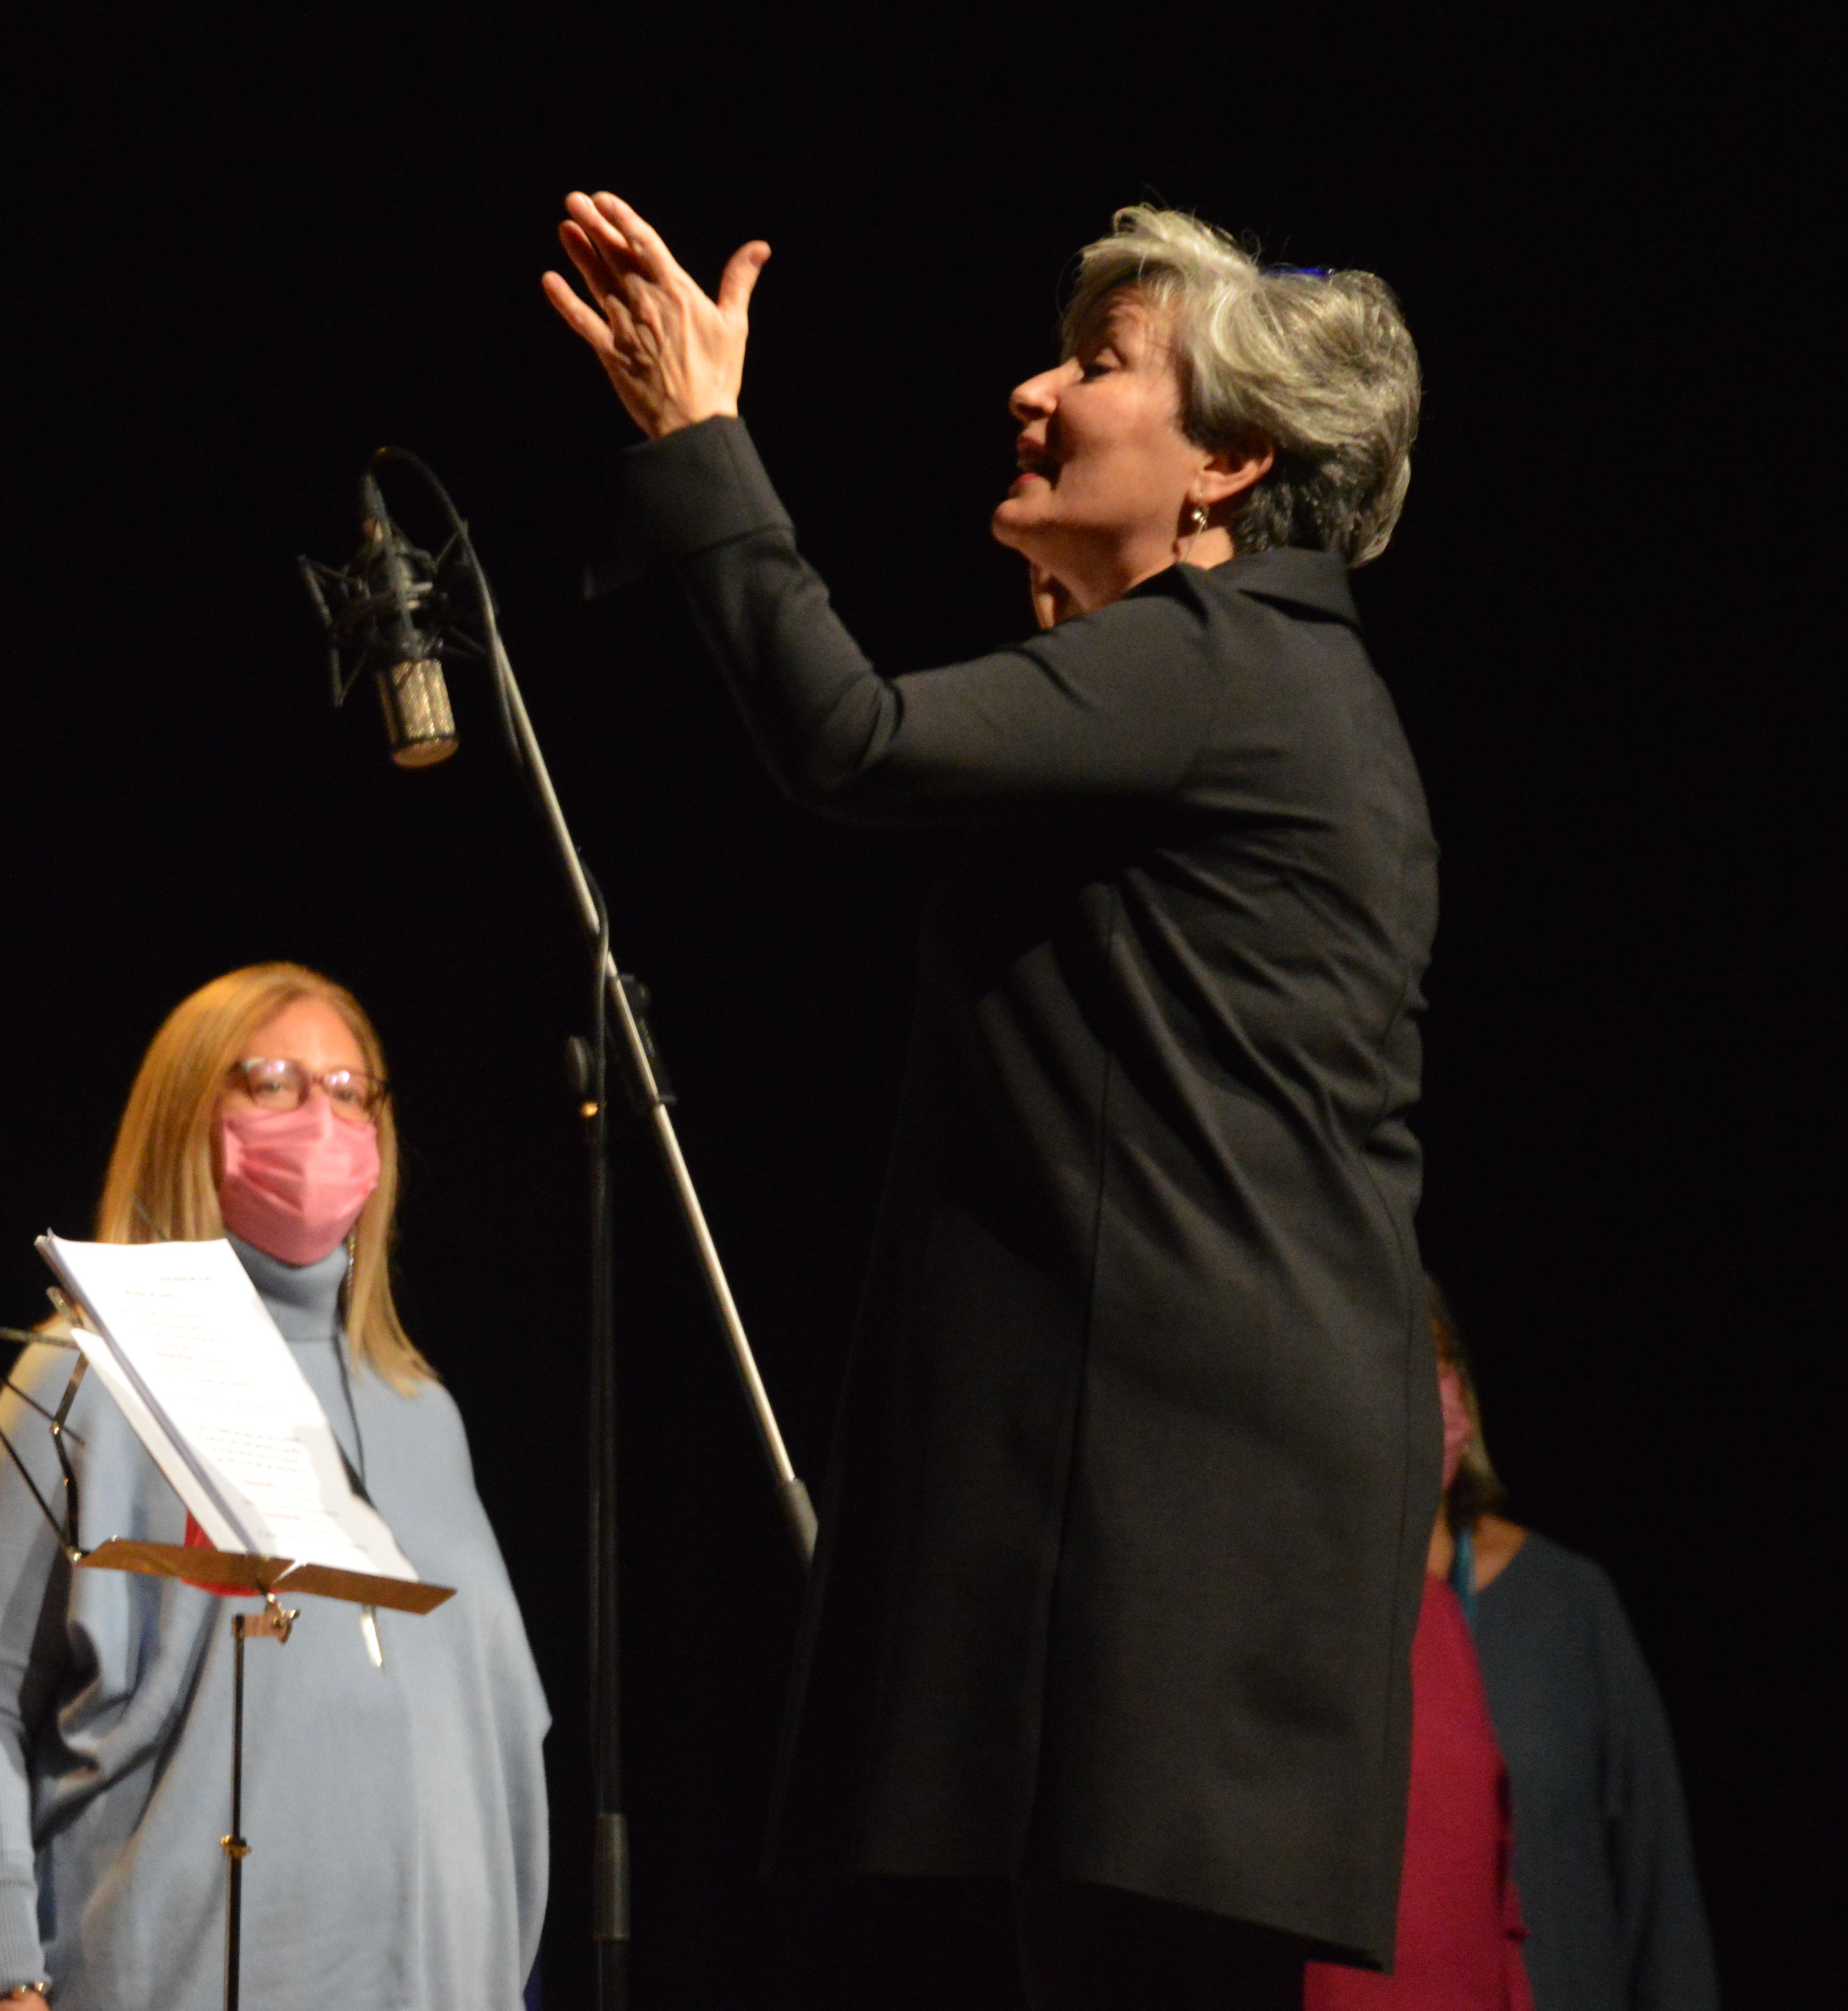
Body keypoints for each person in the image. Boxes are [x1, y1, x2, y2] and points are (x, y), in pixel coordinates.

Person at [545, 194, 1434, 2008]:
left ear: (1228, 464)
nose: (1029, 393)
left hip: (1170, 1518)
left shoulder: (1217, 666)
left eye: (1100, 367)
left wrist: (703, 447)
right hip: (1218, 1491)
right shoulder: (1269, 687)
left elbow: (849, 741)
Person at [0, 962, 550, 2011]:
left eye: (352, 1092)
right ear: (186, 1114)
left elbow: (496, 1741)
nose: (322, 1119)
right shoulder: (87, 1372)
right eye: (274, 1083)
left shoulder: (418, 1409)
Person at [1433, 1295, 1716, 2011]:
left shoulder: (1565, 1602)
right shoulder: (1327, 1620)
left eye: (1436, 1365)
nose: (1425, 1395)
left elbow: (1660, 1903)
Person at [1304, 1299, 1538, 2009]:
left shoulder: (1436, 1611)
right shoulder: (1296, 1600)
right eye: (1416, 1366)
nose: (1447, 1396)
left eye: (1448, 1367)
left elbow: (1495, 1904)